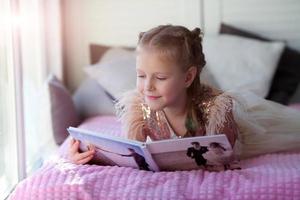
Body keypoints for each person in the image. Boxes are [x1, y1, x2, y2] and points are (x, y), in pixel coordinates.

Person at [69, 24, 300, 167]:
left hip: (245, 137)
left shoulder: (216, 110)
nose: (147, 87)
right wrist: (87, 154)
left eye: (159, 78)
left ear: (188, 78)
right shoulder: (140, 110)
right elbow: (129, 154)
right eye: (141, 75)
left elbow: (223, 158)